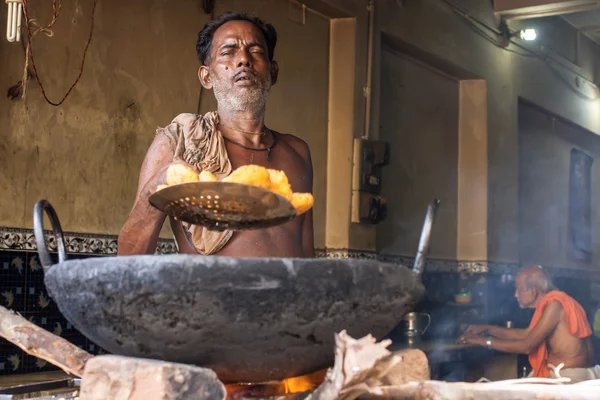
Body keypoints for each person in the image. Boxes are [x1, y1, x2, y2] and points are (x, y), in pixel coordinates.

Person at [117, 12, 314, 258]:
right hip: (208, 296)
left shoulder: (297, 152)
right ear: (207, 76)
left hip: (286, 296)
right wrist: (157, 186)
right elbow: (129, 255)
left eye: (256, 51)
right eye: (228, 52)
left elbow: (306, 255)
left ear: (273, 72)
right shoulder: (179, 143)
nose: (243, 59)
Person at [458, 265, 599, 383]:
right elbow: (527, 334)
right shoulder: (558, 301)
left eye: (518, 289)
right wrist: (487, 328)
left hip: (569, 378)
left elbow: (527, 346)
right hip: (582, 374)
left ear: (532, 291)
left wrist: (483, 341)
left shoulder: (555, 305)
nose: (515, 295)